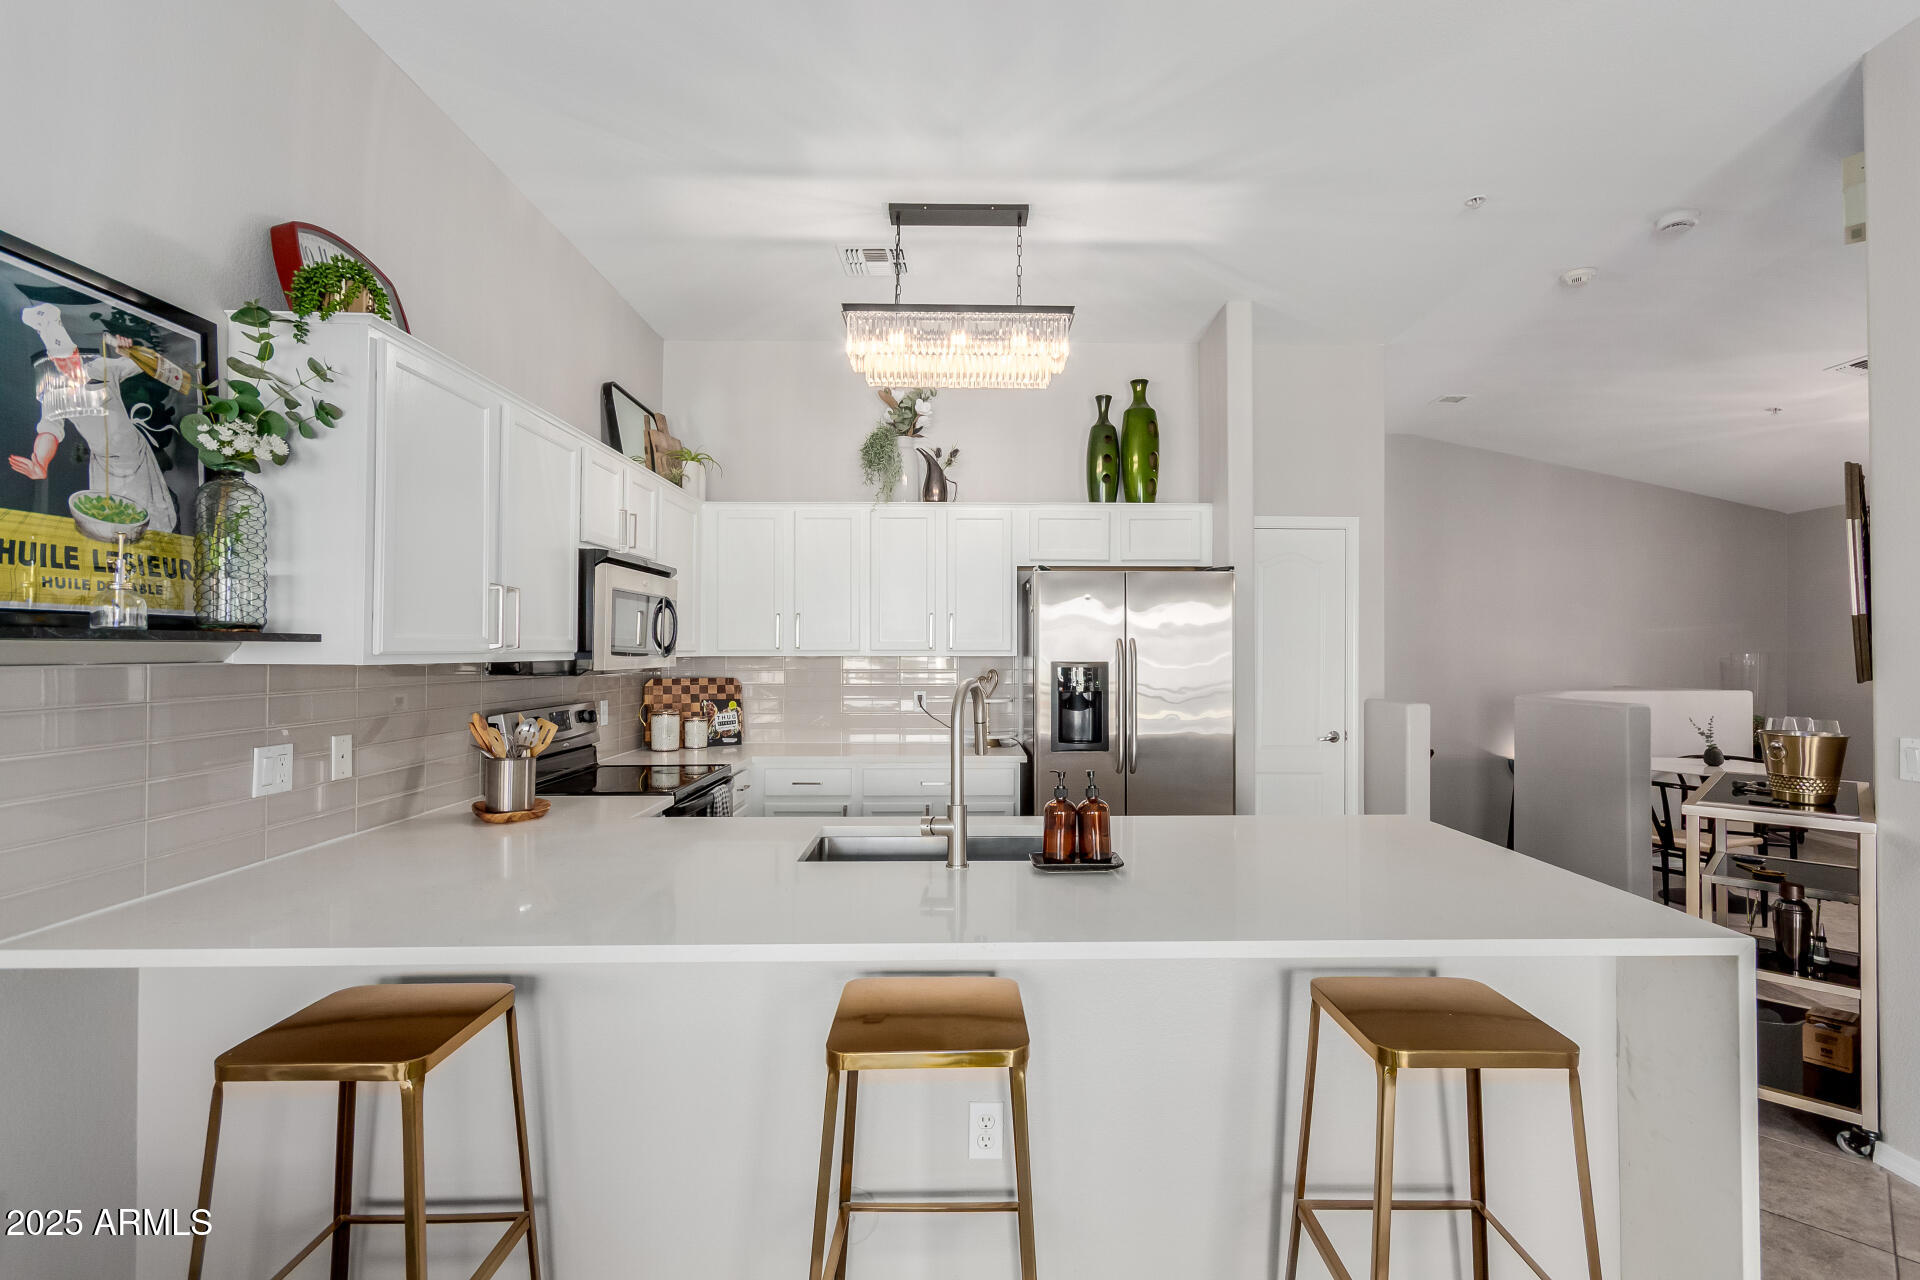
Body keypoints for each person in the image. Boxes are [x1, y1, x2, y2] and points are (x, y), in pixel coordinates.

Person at [8, 304, 179, 533]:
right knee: (117, 522)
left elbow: (153, 365)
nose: (68, 365)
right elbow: (49, 431)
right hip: (104, 463)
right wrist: (40, 462)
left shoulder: (101, 368)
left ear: (77, 354)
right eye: (61, 361)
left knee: (155, 522)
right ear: (54, 362)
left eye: (71, 358)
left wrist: (130, 352)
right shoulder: (55, 393)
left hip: (135, 453)